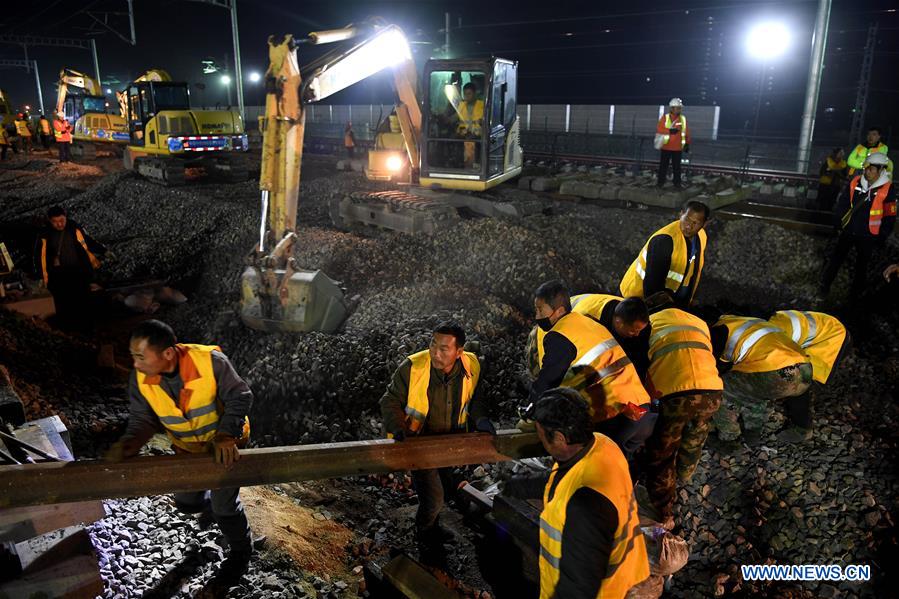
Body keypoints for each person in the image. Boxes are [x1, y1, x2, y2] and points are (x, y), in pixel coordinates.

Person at [105, 320, 256, 580]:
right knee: (186, 503)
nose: (135, 364)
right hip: (188, 449)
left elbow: (241, 395)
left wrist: (225, 435)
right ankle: (207, 500)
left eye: (140, 357)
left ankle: (242, 551)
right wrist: (129, 445)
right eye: (133, 356)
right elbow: (143, 420)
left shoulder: (210, 361)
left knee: (224, 507)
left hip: (224, 447)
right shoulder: (141, 378)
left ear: (167, 353)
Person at [508, 388, 649, 599]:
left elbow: (578, 587)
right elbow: (561, 477)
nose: (540, 441)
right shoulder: (602, 445)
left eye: (539, 434)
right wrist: (515, 485)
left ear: (559, 438)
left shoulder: (585, 504)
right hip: (626, 573)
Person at [379, 321, 493, 552]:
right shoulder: (413, 367)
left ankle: (434, 527)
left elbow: (476, 397)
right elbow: (390, 401)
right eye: (433, 344)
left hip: (452, 443)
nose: (435, 352)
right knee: (433, 497)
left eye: (443, 348)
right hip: (421, 443)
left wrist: (480, 419)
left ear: (459, 351)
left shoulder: (471, 365)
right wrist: (399, 427)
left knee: (445, 488)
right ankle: (426, 535)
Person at [526, 281, 653, 460]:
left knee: (596, 467)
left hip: (618, 416)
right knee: (621, 469)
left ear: (559, 311)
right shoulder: (585, 322)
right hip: (642, 411)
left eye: (540, 310)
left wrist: (531, 410)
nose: (537, 315)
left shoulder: (560, 335)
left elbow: (549, 379)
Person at [641, 293, 723, 528]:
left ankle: (664, 508)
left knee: (662, 453)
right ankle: (685, 474)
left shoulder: (649, 324)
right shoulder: (696, 321)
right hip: (712, 390)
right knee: (696, 434)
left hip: (675, 394)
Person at [709, 315, 813, 444]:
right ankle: (752, 435)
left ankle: (729, 439)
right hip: (806, 367)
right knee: (755, 394)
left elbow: (713, 366)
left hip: (776, 372)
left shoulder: (717, 332)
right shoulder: (742, 322)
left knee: (721, 390)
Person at [819, 152, 896, 301]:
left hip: (868, 235)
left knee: (862, 267)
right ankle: (824, 288)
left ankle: (854, 296)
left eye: (871, 169)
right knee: (835, 260)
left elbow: (889, 216)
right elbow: (842, 204)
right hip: (849, 231)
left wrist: (882, 237)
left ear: (881, 170)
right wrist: (838, 224)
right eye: (866, 168)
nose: (867, 172)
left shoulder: (887, 189)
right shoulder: (855, 182)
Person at [620, 200, 710, 308]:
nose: (689, 226)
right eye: (687, 219)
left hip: (670, 299)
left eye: (695, 223)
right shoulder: (665, 241)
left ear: (704, 224)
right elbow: (652, 287)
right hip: (637, 299)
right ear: (680, 214)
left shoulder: (701, 237)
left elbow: (692, 271)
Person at [34, 206, 106, 331]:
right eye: (55, 222)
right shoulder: (45, 234)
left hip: (78, 272)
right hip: (59, 275)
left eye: (62, 220)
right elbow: (39, 256)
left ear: (66, 217)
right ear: (50, 221)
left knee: (83, 301)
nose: (59, 224)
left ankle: (86, 328)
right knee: (65, 302)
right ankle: (69, 329)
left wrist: (103, 250)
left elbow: (87, 241)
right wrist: (41, 276)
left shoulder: (74, 228)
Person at [656, 97, 690, 189]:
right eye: (678, 107)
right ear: (672, 108)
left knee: (677, 168)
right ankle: (660, 183)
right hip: (666, 147)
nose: (679, 109)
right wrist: (670, 131)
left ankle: (677, 184)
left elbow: (686, 132)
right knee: (663, 167)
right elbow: (659, 129)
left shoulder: (682, 119)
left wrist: (687, 143)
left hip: (677, 148)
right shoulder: (665, 118)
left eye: (680, 108)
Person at [455, 82, 484, 168]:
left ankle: (473, 165)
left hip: (478, 134)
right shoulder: (461, 105)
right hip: (463, 133)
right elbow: (455, 117)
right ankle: (458, 164)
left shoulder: (482, 105)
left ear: (475, 94)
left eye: (469, 94)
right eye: (465, 94)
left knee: (472, 142)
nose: (466, 96)